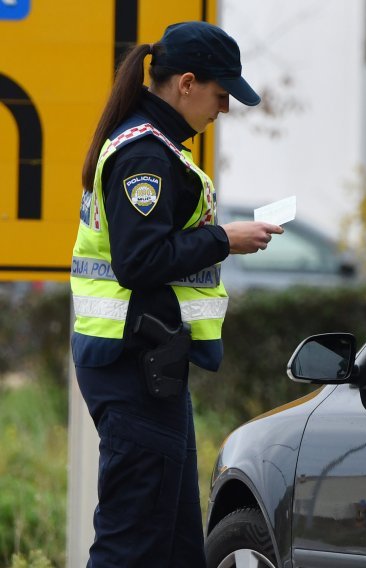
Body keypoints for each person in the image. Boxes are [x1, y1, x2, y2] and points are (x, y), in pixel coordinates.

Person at [69, 21, 281, 566]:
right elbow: (139, 261)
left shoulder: (157, 146)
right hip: (134, 365)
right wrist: (222, 239)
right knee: (133, 544)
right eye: (220, 94)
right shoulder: (145, 155)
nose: (225, 109)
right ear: (186, 83)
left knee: (176, 544)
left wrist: (215, 238)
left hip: (150, 366)